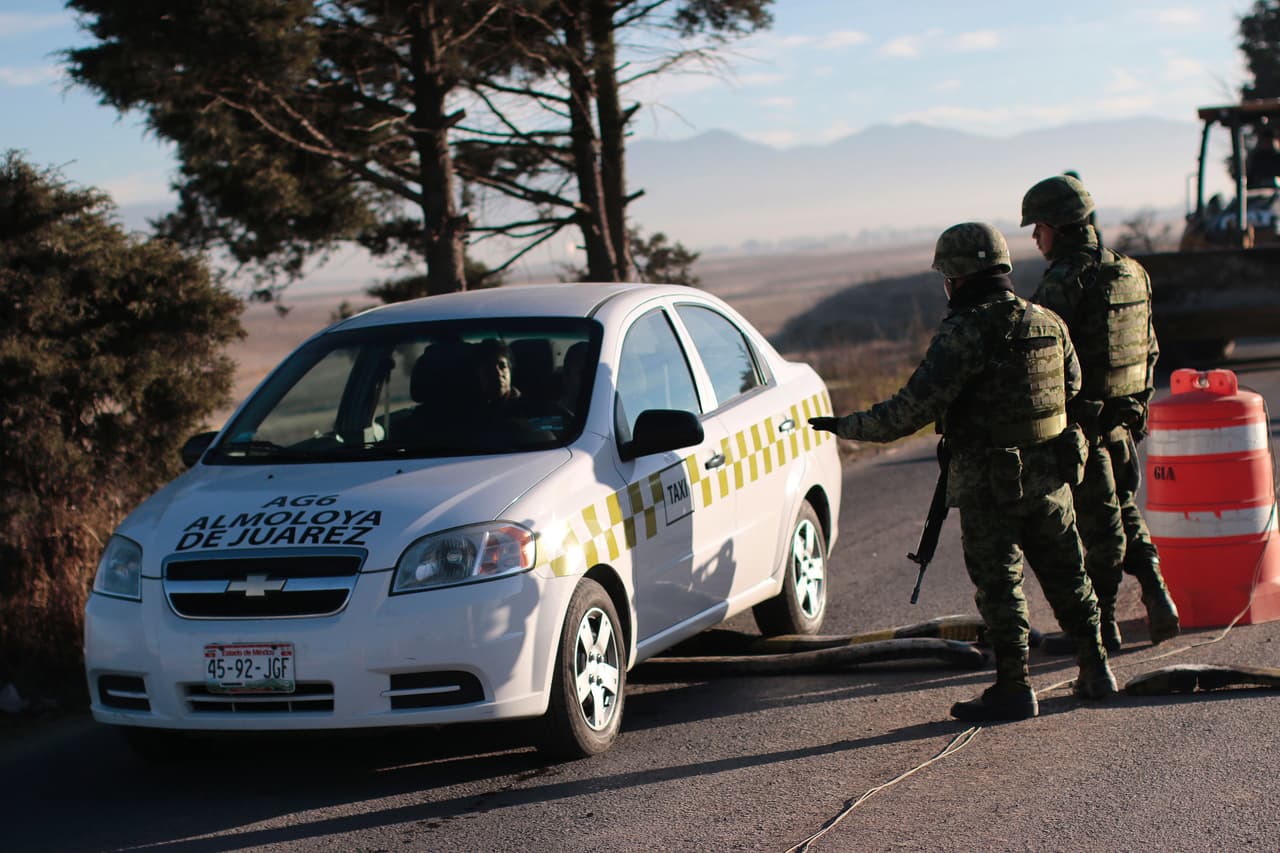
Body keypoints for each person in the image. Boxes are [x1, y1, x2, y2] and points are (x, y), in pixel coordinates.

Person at [809, 222, 1116, 722]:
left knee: (1001, 587)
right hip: (1050, 482)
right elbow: (1076, 390)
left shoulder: (964, 332)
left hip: (990, 487)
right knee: (1068, 576)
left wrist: (845, 426)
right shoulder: (1049, 322)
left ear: (956, 277)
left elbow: (910, 411)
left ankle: (1015, 689)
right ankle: (1096, 669)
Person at [1021, 174, 1179, 651]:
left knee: (1099, 527)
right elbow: (1149, 349)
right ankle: (1157, 595)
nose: (1035, 238)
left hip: (1082, 427)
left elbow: (1042, 359)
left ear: (1060, 228)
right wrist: (1137, 409)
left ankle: (1104, 625)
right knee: (1123, 510)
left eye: (1039, 227)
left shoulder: (1065, 281)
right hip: (1121, 420)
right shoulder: (1130, 270)